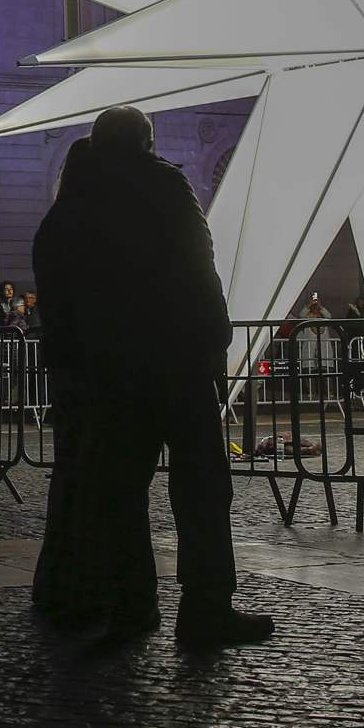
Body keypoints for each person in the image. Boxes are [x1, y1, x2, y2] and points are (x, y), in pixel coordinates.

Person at [65, 107, 273, 652]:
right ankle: (205, 607)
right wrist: (215, 336)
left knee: (121, 491)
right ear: (146, 142)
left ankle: (132, 606)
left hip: (114, 364)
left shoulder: (80, 199)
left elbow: (73, 285)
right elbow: (197, 262)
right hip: (176, 358)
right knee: (201, 488)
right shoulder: (164, 184)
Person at [30, 138, 104, 628]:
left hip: (68, 363)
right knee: (90, 475)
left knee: (70, 473)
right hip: (90, 365)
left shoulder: (55, 224)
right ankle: (82, 584)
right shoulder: (86, 227)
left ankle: (57, 580)